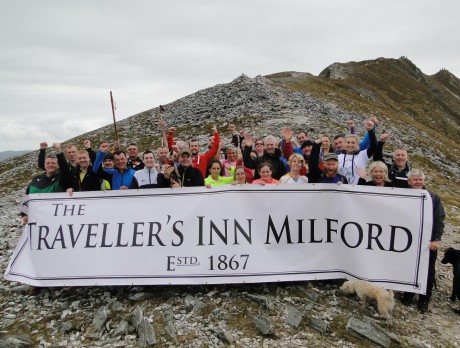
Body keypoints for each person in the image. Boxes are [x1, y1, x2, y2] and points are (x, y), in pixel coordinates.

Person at [401, 169, 445, 313]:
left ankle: (424, 299)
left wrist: (436, 239)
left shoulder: (433, 197)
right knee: (408, 268)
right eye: (415, 180)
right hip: (408, 241)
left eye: (420, 180)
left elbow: (439, 219)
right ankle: (408, 294)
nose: (418, 182)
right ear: (409, 182)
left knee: (428, 271)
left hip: (428, 242)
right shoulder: (402, 196)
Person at [22, 145, 66, 224]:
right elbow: (27, 196)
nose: (50, 165)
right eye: (48, 163)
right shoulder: (36, 178)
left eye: (53, 163)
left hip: (54, 219)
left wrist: (59, 152)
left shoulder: (61, 178)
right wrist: (24, 214)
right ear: (44, 165)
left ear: (58, 166)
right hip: (34, 218)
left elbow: (64, 168)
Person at [338, 119, 377, 185]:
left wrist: (370, 131)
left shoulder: (363, 155)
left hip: (357, 190)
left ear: (358, 144)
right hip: (341, 190)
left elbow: (374, 146)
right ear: (344, 144)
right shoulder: (338, 157)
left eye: (353, 143)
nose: (350, 145)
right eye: (348, 142)